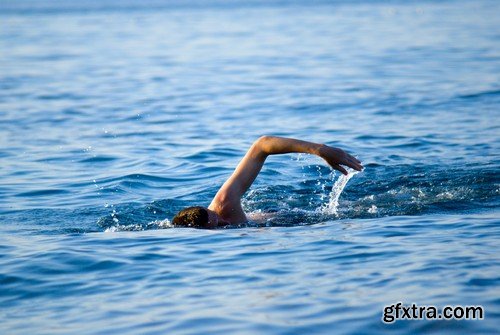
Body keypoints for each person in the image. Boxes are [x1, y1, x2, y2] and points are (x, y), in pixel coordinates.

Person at [172, 136, 363, 228]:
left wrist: (320, 149)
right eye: (219, 225)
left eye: (217, 216)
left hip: (285, 215)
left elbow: (262, 145)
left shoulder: (224, 203)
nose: (225, 220)